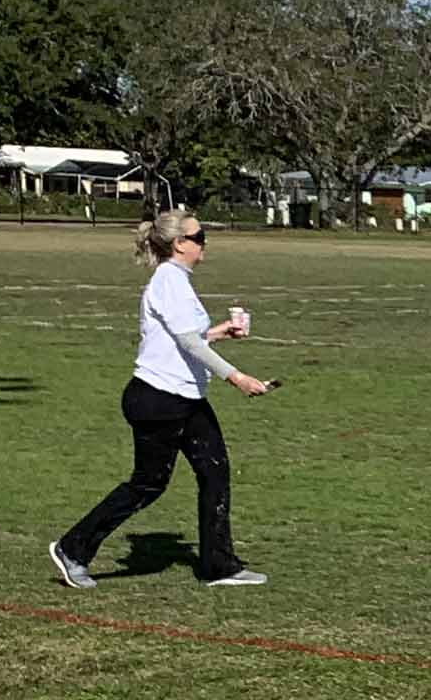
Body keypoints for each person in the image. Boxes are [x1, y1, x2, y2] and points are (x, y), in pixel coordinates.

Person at [52, 210, 271, 589]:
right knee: (148, 484)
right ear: (179, 243)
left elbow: (183, 336)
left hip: (184, 398)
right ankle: (73, 548)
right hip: (158, 399)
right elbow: (186, 341)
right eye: (198, 235)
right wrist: (236, 377)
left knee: (214, 471)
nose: (204, 241)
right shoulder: (170, 279)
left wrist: (219, 332)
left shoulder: (178, 281)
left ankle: (219, 566)